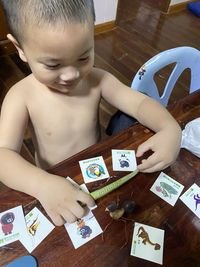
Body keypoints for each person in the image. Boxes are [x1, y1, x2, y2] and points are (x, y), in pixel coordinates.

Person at [0, 0, 181, 226]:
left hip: (99, 169)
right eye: (53, 65)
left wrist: (170, 128)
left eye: (83, 57)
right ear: (20, 49)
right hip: (54, 182)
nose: (71, 75)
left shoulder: (98, 79)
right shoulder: (21, 95)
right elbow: (3, 154)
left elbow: (140, 104)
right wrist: (42, 185)